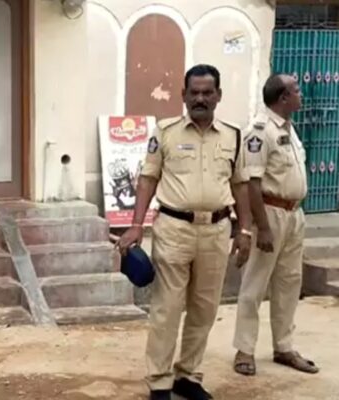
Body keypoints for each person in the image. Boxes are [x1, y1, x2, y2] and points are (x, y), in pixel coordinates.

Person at [117, 64, 252, 400]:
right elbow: (148, 178)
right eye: (194, 93)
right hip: (174, 229)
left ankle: (188, 376)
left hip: (217, 230)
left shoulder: (234, 135)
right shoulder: (165, 132)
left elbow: (240, 185)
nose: (200, 99)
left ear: (218, 95)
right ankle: (160, 381)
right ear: (183, 95)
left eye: (207, 93)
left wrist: (245, 229)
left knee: (205, 308)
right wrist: (136, 225)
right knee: (167, 308)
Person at [232, 74, 319, 376]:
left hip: (294, 214)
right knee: (255, 284)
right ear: (283, 97)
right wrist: (262, 226)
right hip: (270, 214)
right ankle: (244, 350)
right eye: (296, 90)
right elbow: (252, 183)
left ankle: (284, 346)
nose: (301, 94)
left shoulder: (289, 129)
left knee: (289, 281)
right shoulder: (260, 131)